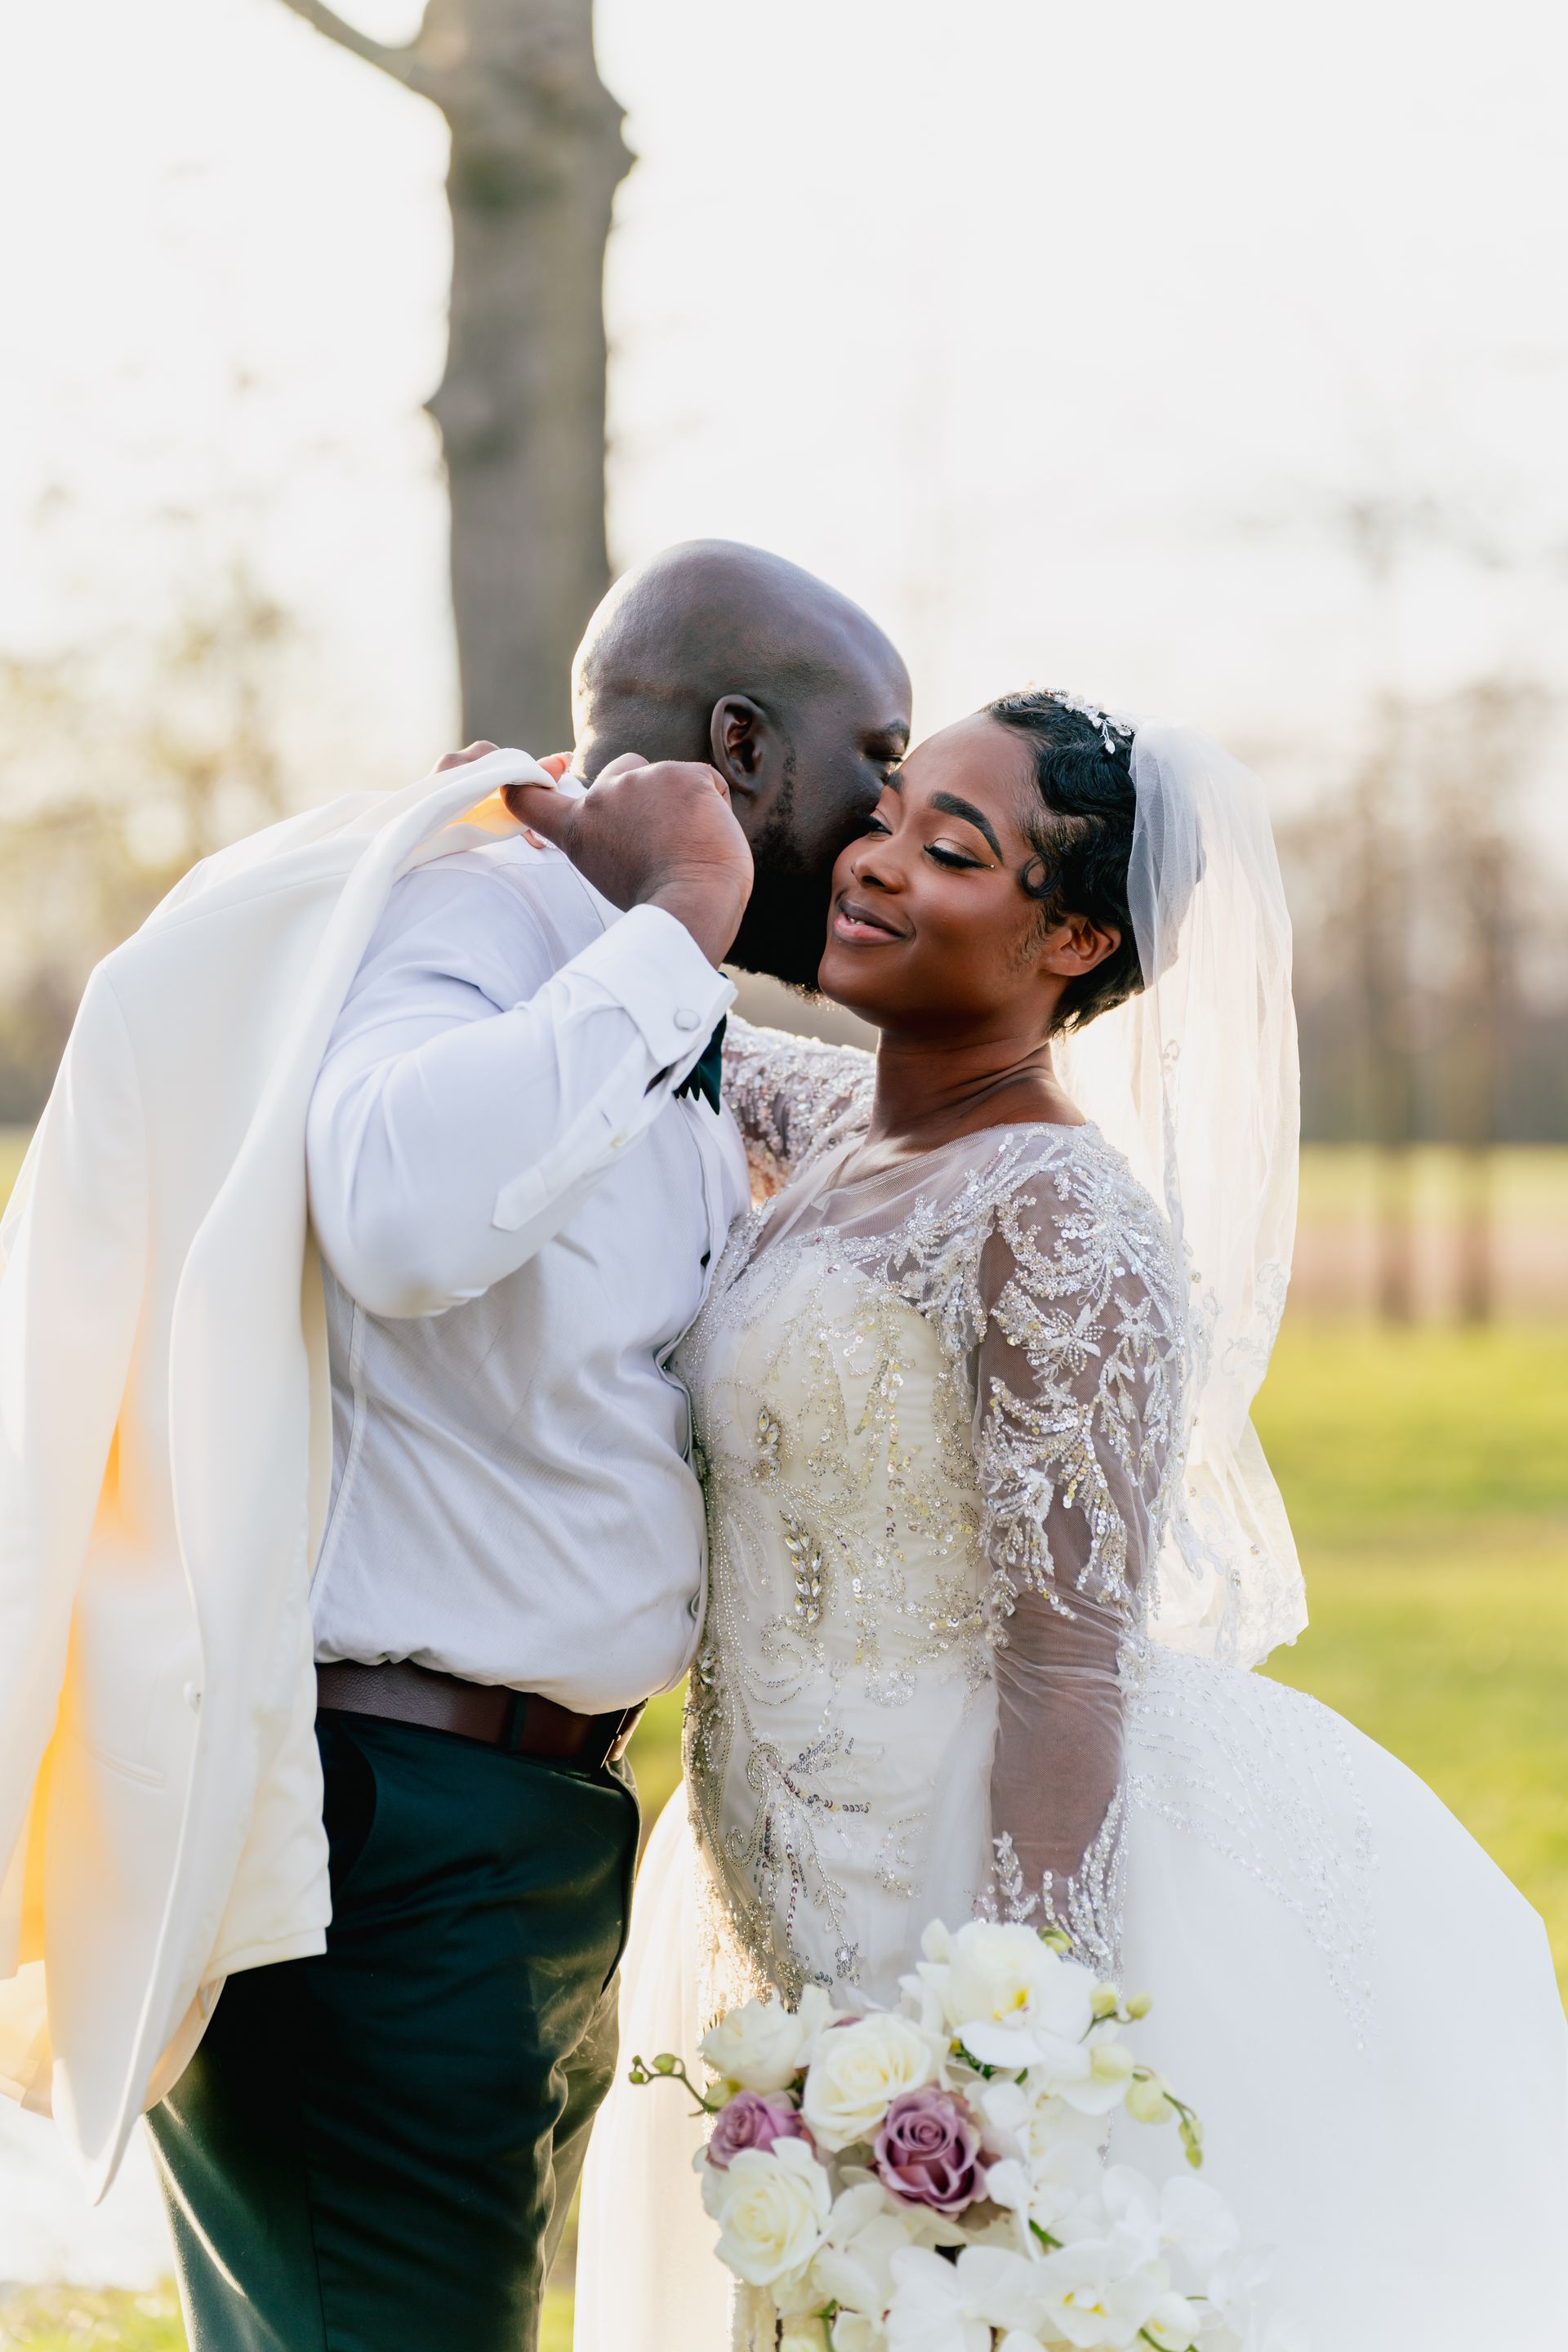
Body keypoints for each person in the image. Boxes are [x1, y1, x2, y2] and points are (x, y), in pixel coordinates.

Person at [565, 690, 1568, 2351]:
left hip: (967, 1881)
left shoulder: (1057, 1215)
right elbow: (643, 1013)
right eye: (885, 819)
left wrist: (1009, 2074)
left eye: (953, 850)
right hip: (766, 1883)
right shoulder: (827, 1133)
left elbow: (1067, 1674)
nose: (877, 864)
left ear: (1075, 935)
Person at [116, 539, 909, 2352]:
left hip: (521, 1842)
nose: (892, 812)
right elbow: (398, 1212)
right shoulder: (472, 913)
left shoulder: (624, 991)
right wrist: (679, 928)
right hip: (397, 1855)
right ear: (740, 746)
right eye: (878, 754)